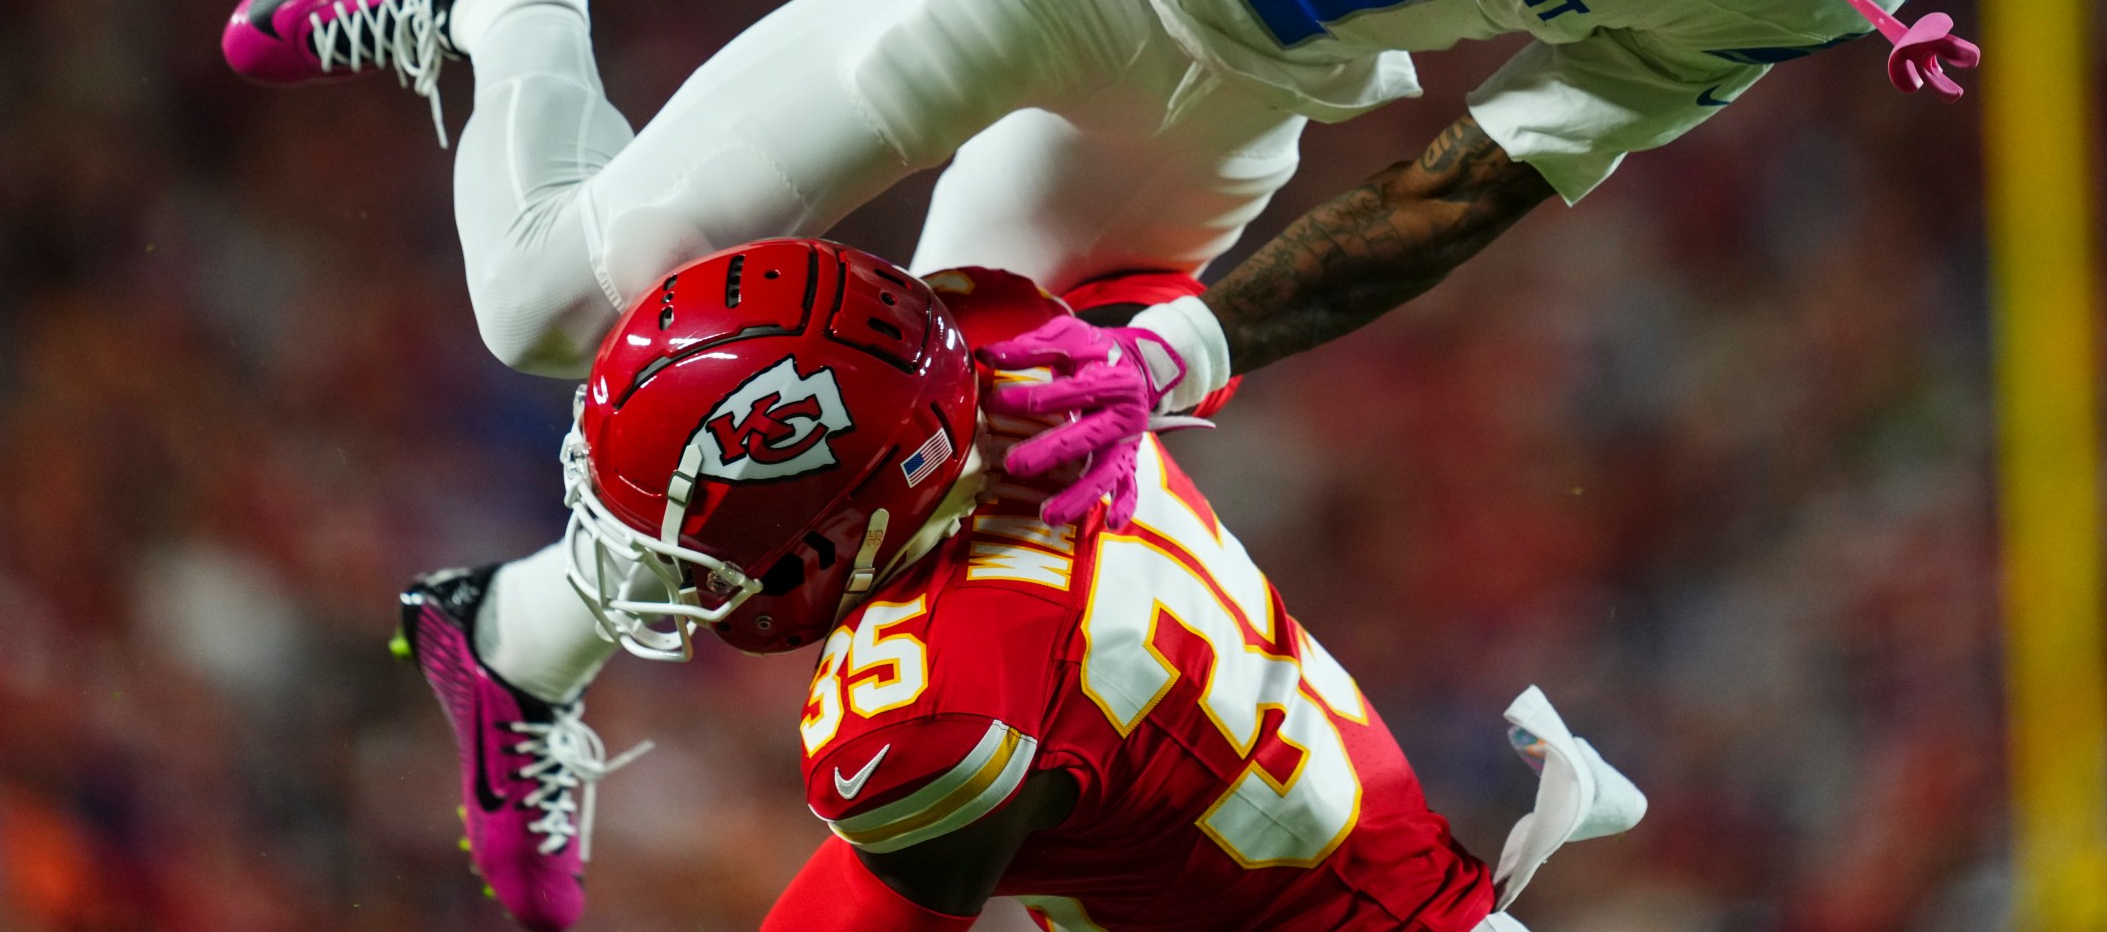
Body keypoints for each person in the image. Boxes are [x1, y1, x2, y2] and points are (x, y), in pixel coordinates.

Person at [224, 0, 2092, 924]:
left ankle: (510, 638)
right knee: (556, 297)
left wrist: (1175, 353)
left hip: (1238, 85)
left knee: (949, 488)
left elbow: (1485, 175)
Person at [434, 237, 1643, 931]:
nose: (664, 570)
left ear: (844, 525)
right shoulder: (1013, 353)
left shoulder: (934, 712)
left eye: (702, 546)